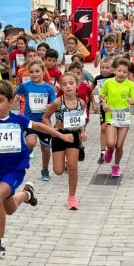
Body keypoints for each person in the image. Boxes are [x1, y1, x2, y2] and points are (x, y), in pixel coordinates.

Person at [0, 80, 73, 258]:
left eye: (0, 100)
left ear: (11, 101)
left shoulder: (18, 120)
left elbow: (39, 126)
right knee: (8, 208)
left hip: (16, 169)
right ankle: (27, 194)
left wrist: (61, 135)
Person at [43, 73, 87, 209]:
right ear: (61, 87)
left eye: (71, 83)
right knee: (58, 171)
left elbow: (81, 121)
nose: (68, 86)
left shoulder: (81, 103)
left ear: (77, 85)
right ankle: (66, 163)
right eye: (64, 84)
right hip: (59, 136)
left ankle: (72, 197)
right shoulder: (57, 102)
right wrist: (52, 131)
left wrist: (82, 132)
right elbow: (45, 117)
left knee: (73, 168)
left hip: (73, 136)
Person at [99, 58, 134, 177]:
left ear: (128, 74)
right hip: (111, 117)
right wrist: (104, 104)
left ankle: (116, 166)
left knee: (119, 145)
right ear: (114, 71)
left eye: (124, 72)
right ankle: (109, 151)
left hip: (124, 118)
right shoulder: (108, 83)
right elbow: (102, 95)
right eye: (119, 71)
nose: (121, 74)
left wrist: (133, 102)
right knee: (111, 143)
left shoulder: (130, 84)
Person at [16, 60, 56, 181]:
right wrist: (13, 97)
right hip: (30, 122)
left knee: (46, 149)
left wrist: (50, 106)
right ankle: (25, 156)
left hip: (44, 123)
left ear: (43, 72)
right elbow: (13, 92)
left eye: (37, 71)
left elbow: (54, 104)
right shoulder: (25, 86)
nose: (34, 74)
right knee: (31, 143)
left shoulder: (49, 88)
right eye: (32, 72)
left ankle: (44, 170)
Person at [93, 57, 115, 164]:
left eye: (107, 67)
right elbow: (89, 90)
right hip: (103, 106)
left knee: (113, 128)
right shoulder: (98, 78)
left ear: (112, 68)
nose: (104, 70)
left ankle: (111, 147)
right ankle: (102, 152)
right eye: (102, 67)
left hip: (115, 107)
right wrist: (93, 103)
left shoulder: (116, 77)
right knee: (103, 128)